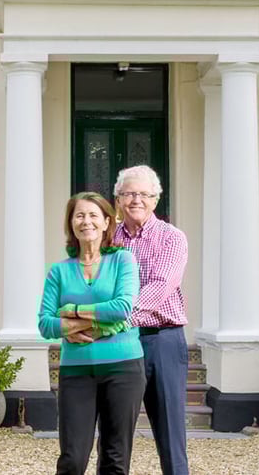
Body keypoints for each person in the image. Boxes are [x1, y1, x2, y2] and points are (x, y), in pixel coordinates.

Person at [38, 191, 146, 475]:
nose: (86, 221)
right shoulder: (58, 272)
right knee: (72, 459)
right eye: (79, 215)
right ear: (71, 223)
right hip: (76, 371)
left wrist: (70, 311)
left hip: (123, 369)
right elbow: (45, 324)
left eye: (93, 215)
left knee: (115, 459)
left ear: (107, 222)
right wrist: (88, 322)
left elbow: (122, 308)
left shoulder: (123, 261)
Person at [112, 165, 189, 475]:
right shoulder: (108, 239)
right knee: (115, 433)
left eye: (144, 194)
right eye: (129, 193)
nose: (136, 200)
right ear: (117, 199)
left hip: (162, 341)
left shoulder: (172, 237)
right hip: (118, 343)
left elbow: (160, 286)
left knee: (171, 434)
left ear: (156, 200)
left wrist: (117, 317)